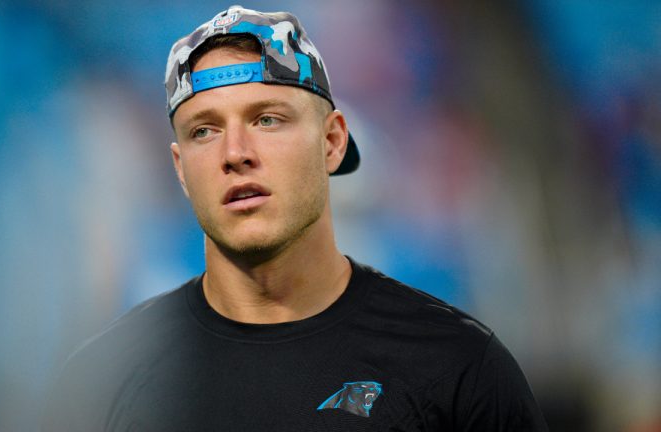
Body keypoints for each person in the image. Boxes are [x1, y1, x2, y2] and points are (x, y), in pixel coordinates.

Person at [43, 5, 548, 431]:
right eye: (204, 130)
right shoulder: (101, 381)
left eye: (268, 120)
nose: (235, 152)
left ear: (332, 142)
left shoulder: (457, 365)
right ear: (179, 167)